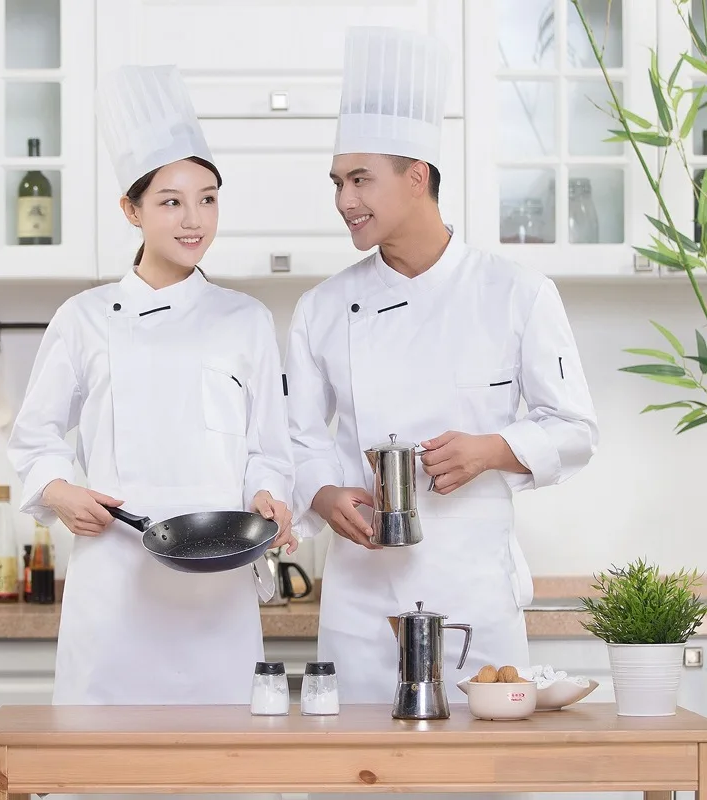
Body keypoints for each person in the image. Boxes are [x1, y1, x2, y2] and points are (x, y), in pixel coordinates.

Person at [285, 26, 598, 707]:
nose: (344, 201)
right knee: (356, 776)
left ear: (417, 176)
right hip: (362, 597)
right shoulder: (323, 308)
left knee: (479, 776)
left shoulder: (516, 292)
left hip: (473, 596)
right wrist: (324, 495)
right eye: (338, 182)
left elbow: (576, 429)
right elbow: (297, 439)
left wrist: (492, 449)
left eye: (360, 180)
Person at [8, 64, 296, 712]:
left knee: (222, 777)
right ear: (131, 209)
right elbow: (34, 435)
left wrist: (270, 498)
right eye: (171, 201)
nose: (194, 219)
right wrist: (61, 490)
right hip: (115, 598)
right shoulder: (84, 318)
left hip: (217, 604)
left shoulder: (245, 319)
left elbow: (269, 450)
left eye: (208, 198)